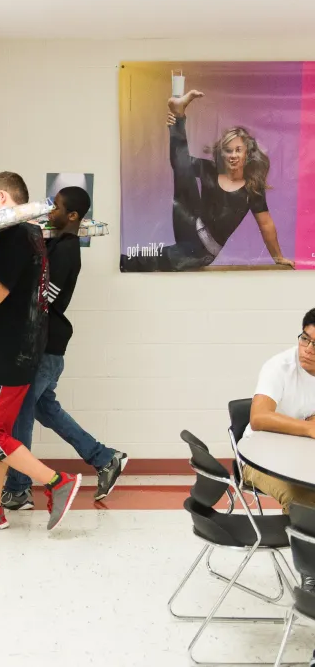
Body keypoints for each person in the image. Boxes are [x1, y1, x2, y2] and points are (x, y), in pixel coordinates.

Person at [0, 171, 82, 531]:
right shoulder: (22, 234)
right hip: (3, 349)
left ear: (4, 199)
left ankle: (58, 482)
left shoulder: (18, 236)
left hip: (8, 353)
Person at [1, 187, 129, 511]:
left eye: (56, 207)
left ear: (73, 216)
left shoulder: (68, 250)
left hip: (43, 347)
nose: (50, 212)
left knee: (20, 413)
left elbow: (45, 297)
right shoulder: (55, 242)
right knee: (44, 409)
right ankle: (105, 458)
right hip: (46, 346)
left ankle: (18, 489)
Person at [120, 89, 293, 272]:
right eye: (228, 150)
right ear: (221, 153)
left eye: (238, 150)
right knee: (184, 166)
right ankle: (179, 114)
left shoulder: (252, 189)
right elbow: (180, 164)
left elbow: (266, 224)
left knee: (158, 258)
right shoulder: (211, 169)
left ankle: (121, 262)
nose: (232, 155)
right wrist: (176, 126)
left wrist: (278, 258)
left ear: (246, 154)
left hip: (202, 250)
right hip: (190, 222)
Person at [241, 309, 315, 515]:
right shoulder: (280, 367)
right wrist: (308, 428)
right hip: (258, 459)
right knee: (301, 501)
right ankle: (301, 546)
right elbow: (259, 418)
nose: (308, 349)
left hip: (303, 455)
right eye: (305, 339)